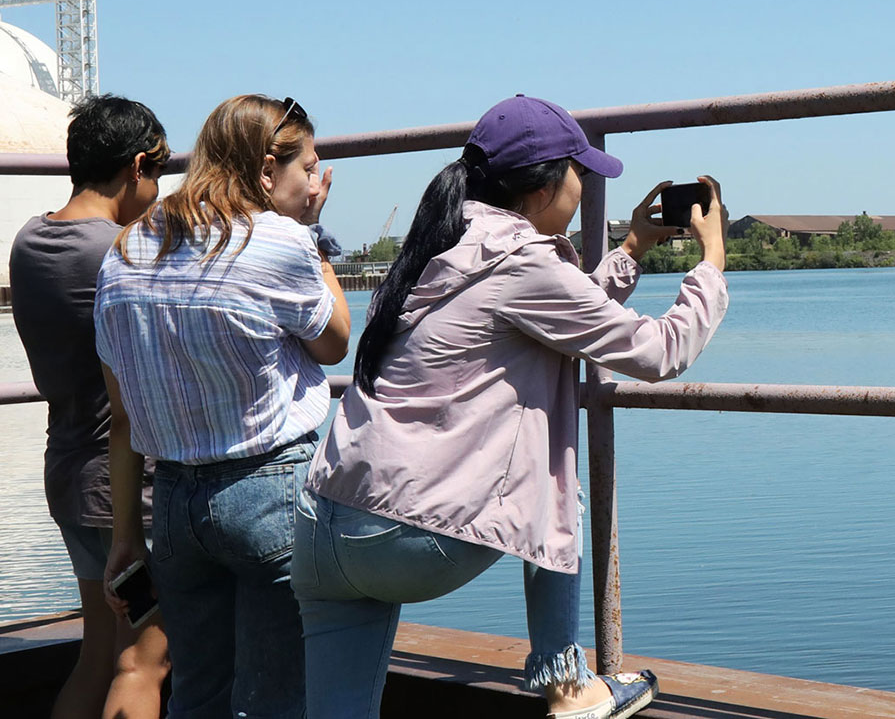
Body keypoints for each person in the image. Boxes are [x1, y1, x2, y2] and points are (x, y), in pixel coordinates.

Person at [291, 94, 730, 719]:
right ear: (544, 183)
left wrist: (631, 246)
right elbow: (659, 351)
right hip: (408, 542)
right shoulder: (522, 261)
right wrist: (712, 260)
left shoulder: (440, 244)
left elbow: (554, 316)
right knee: (554, 480)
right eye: (579, 171)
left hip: (323, 528)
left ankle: (569, 683)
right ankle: (568, 685)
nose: (583, 184)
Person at [95, 94, 351, 718]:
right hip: (268, 494)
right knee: (276, 700)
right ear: (267, 170)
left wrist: (126, 536)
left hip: (176, 507)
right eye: (306, 169)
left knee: (197, 695)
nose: (313, 182)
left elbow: (123, 416)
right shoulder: (278, 241)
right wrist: (310, 230)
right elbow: (336, 340)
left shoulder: (124, 251)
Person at [9, 94, 171, 719]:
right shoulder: (122, 254)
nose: (158, 191)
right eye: (157, 174)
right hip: (128, 495)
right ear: (137, 166)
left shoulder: (31, 240)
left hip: (70, 475)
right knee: (143, 663)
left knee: (100, 654)